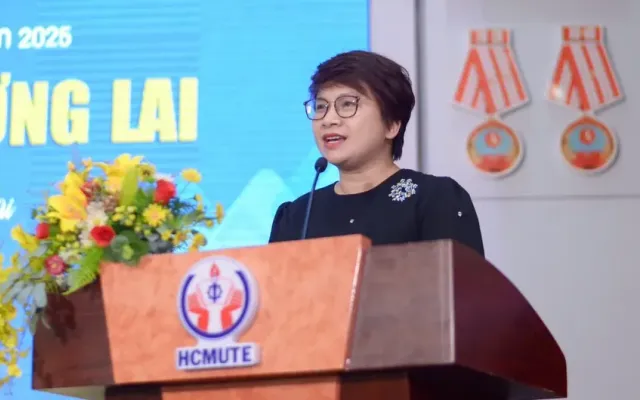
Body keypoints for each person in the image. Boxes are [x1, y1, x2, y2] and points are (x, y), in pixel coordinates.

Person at [268, 50, 484, 256]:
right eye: (321, 107)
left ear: (391, 125)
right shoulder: (297, 215)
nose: (328, 120)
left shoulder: (433, 199)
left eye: (347, 104)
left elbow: (457, 280)